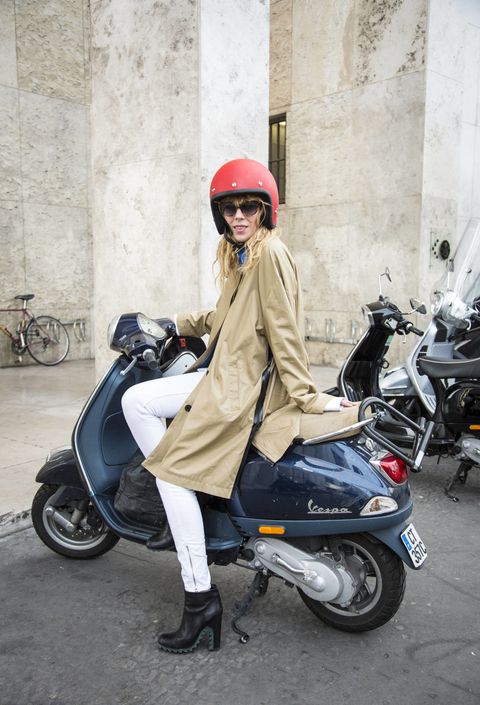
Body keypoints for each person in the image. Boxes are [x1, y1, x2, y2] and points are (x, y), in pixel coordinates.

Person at [121, 158, 358, 654]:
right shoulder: (243, 255)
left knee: (170, 475)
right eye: (229, 208)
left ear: (266, 209)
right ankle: (179, 496)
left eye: (248, 206)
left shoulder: (269, 254)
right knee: (137, 400)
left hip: (236, 388)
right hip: (219, 374)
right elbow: (224, 314)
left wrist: (307, 394)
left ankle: (200, 599)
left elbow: (284, 330)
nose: (238, 215)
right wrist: (177, 320)